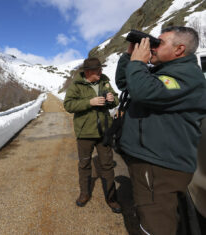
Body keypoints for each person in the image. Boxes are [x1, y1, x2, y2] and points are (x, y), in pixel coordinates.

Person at [115, 26, 206, 234]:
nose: (153, 47)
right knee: (159, 217)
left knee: (156, 226)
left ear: (179, 49)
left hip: (159, 166)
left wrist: (138, 62)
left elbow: (143, 91)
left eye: (160, 43)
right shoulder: (164, 72)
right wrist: (129, 56)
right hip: (153, 162)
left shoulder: (186, 76)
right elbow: (125, 83)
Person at [63, 57, 121, 213]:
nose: (101, 72)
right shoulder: (76, 85)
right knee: (84, 164)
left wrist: (111, 99)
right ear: (88, 72)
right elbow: (68, 105)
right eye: (97, 70)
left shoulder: (105, 80)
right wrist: (90, 102)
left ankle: (111, 198)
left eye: (101, 69)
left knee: (107, 165)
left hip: (104, 132)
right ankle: (84, 193)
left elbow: (115, 99)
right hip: (85, 133)